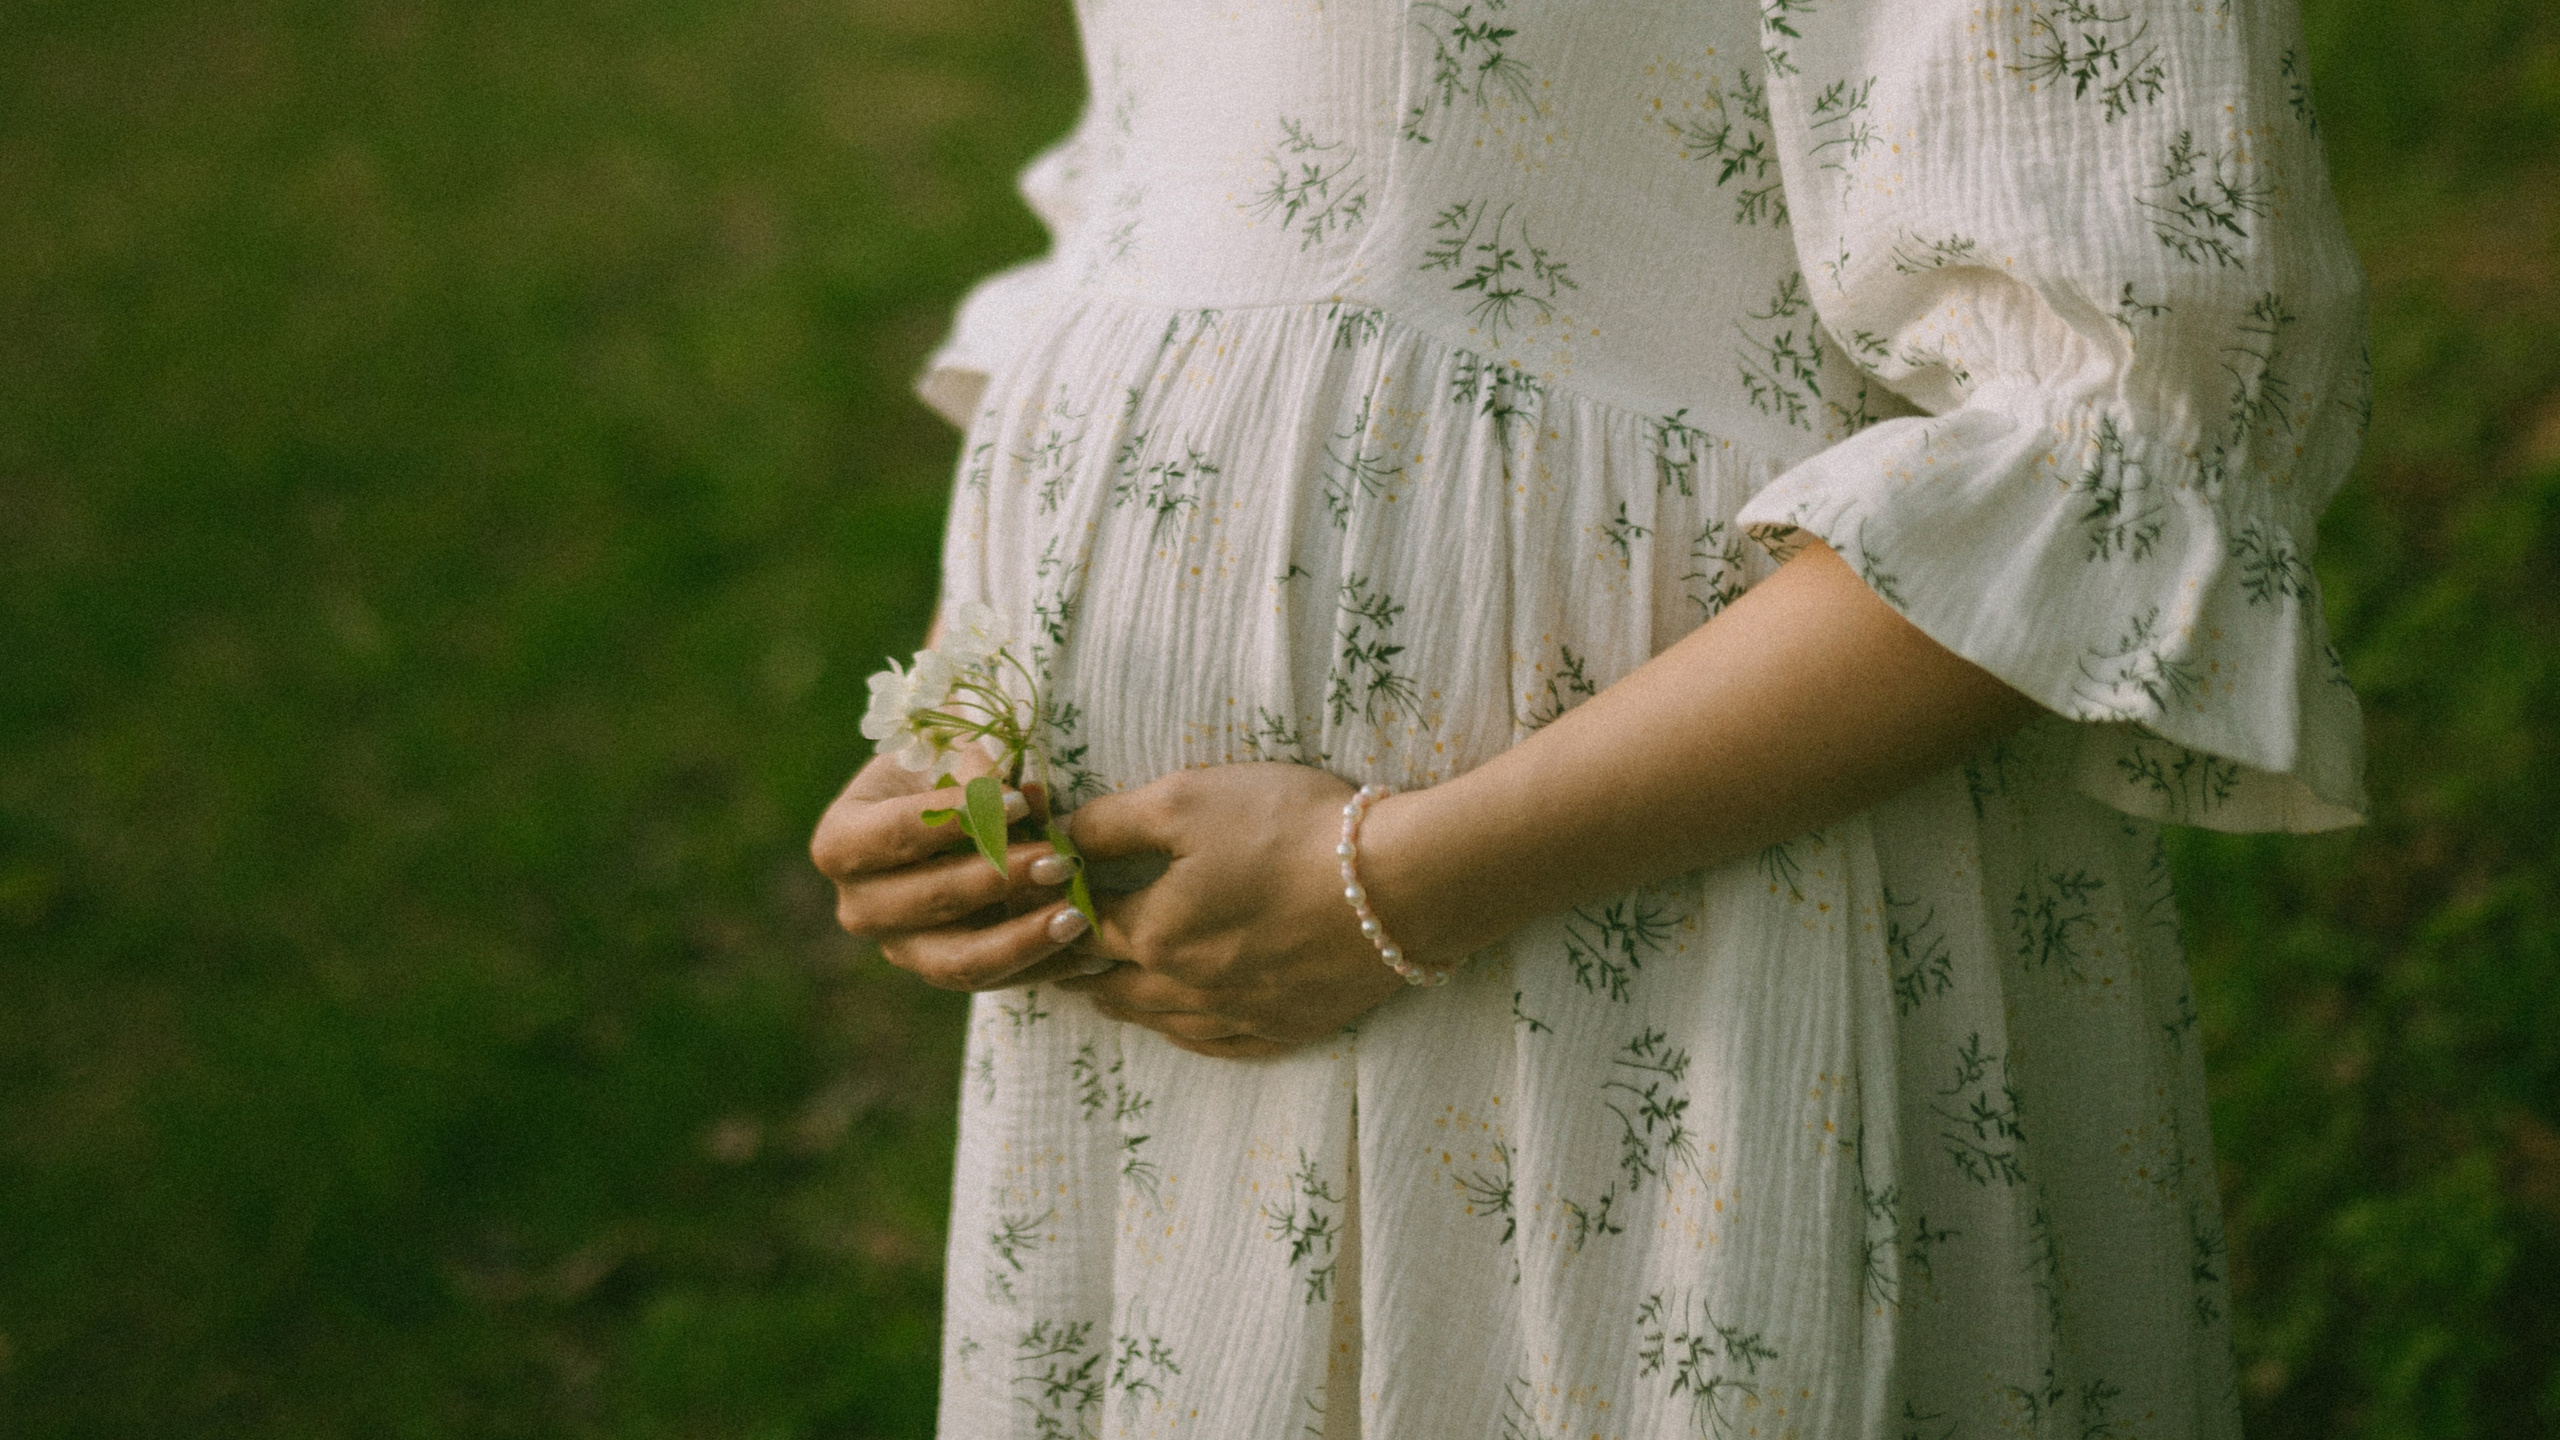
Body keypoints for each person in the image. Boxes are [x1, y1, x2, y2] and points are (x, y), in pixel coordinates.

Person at [810, 1, 2369, 1435]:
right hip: (1158, 1032)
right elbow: (1149, 211)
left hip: (1656, 948)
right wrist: (951, 726)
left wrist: (1400, 882)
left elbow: (2121, 425)